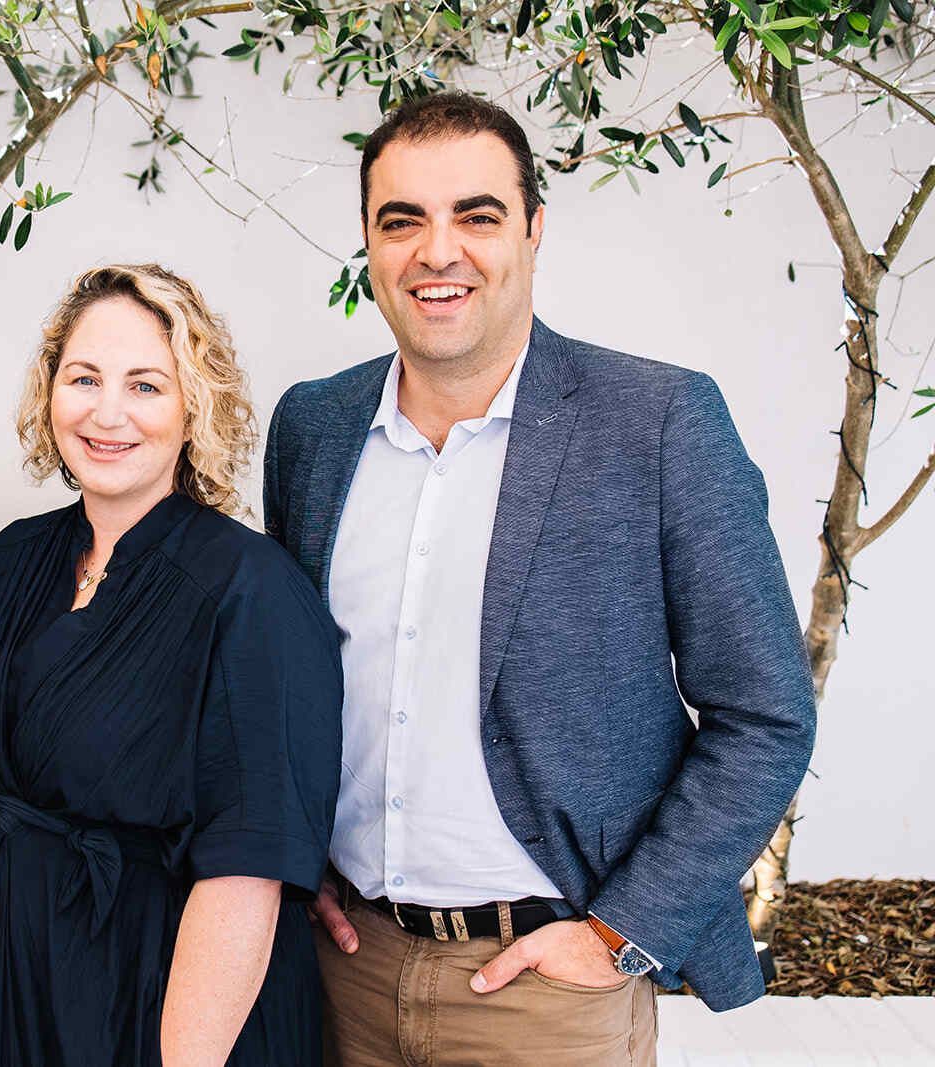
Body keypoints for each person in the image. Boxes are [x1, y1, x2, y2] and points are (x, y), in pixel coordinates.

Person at [263, 93, 817, 1065]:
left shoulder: (659, 422)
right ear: (367, 242)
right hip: (337, 968)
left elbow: (765, 711)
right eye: (402, 221)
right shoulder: (311, 427)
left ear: (532, 229)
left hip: (550, 991)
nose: (438, 250)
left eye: (475, 215)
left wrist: (619, 932)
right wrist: (289, 856)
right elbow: (288, 681)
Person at [0, 264, 342, 1067]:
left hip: (154, 999)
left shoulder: (251, 590)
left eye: (147, 385)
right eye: (83, 378)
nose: (108, 412)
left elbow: (247, 872)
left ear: (197, 405)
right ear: (49, 391)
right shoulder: (13, 557)